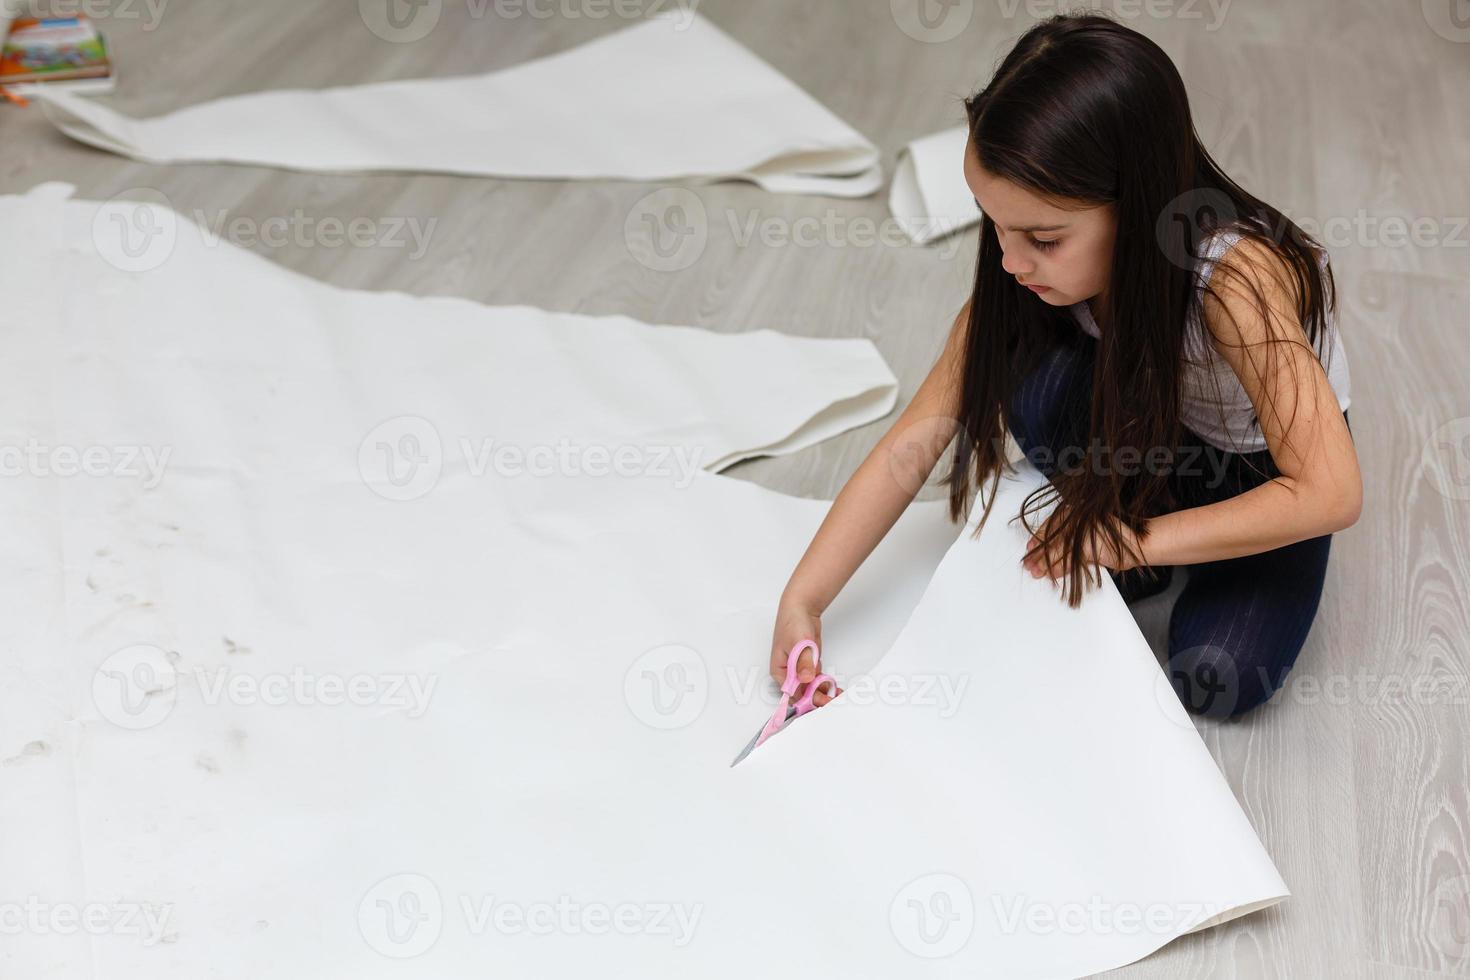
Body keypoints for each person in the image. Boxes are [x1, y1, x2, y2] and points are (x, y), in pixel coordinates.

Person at [768, 13, 1360, 720]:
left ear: (1136, 209)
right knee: (1022, 371)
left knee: (1220, 675)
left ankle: (1161, 541)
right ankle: (1145, 544)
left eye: (1043, 240)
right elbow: (914, 441)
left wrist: (1135, 539)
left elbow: (1330, 491)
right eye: (995, 226)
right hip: (1155, 418)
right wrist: (803, 598)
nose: (1012, 262)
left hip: (1259, 462)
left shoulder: (1236, 282)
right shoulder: (1028, 274)